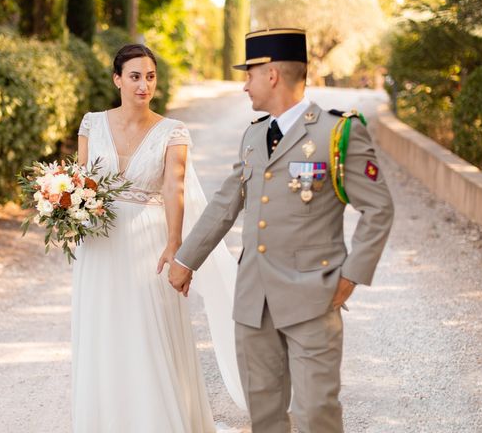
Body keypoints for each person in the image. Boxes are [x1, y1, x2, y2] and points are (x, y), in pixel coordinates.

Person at [169, 28, 395, 433]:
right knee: (265, 416)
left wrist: (350, 277)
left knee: (316, 416)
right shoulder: (255, 135)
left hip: (312, 299)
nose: (244, 85)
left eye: (250, 74)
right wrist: (186, 258)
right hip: (255, 300)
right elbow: (226, 203)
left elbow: (378, 208)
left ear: (271, 74)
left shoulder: (338, 132)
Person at [72, 44, 244, 432]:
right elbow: (80, 179)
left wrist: (174, 243)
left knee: (150, 333)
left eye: (150, 77)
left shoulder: (173, 131)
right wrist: (65, 207)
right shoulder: (91, 123)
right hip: (98, 241)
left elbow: (174, 188)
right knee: (104, 330)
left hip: (148, 243)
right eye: (135, 76)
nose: (143, 85)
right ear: (117, 79)